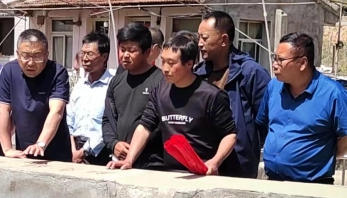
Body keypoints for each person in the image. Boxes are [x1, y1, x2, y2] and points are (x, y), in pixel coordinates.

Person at [109, 34, 237, 176]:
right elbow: (145, 126)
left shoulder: (211, 95)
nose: (165, 68)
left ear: (189, 64)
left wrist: (215, 162)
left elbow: (230, 134)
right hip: (169, 174)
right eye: (163, 61)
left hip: (202, 173)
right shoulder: (160, 91)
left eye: (171, 63)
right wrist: (129, 160)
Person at [256, 32, 347, 184]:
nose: (274, 65)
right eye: (274, 58)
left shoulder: (333, 94)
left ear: (303, 63)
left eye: (280, 60)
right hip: (273, 181)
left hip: (313, 185)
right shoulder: (273, 87)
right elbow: (262, 126)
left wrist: (319, 157)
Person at [195, 10, 270, 178]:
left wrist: (247, 143)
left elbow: (266, 120)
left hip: (238, 165)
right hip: (203, 162)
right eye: (198, 37)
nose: (199, 43)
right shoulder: (198, 73)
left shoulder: (250, 72)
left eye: (204, 38)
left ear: (224, 40)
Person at [0, 28, 73, 162]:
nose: (30, 63)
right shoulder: (9, 71)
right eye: (25, 56)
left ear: (46, 55)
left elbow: (56, 111)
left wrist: (40, 144)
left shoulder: (57, 72)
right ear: (18, 54)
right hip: (22, 153)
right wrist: (7, 149)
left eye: (37, 56)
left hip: (56, 154)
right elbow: (3, 111)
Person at [103, 24, 165, 170]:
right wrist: (114, 144)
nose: (125, 55)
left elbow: (161, 123)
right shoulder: (116, 82)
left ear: (147, 52)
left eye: (132, 50)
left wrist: (135, 148)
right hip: (119, 162)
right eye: (122, 49)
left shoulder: (161, 81)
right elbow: (107, 119)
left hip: (153, 164)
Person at [68, 32, 113, 165]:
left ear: (104, 57)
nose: (85, 58)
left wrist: (85, 151)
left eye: (90, 54)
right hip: (75, 151)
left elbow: (110, 125)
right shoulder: (79, 85)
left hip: (100, 152)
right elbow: (70, 119)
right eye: (83, 53)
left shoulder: (112, 86)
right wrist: (73, 149)